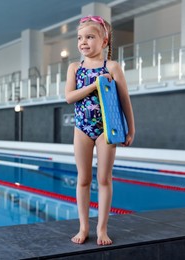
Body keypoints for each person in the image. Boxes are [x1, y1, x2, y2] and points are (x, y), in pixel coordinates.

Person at [65, 15, 135, 246]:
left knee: (104, 179)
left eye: (90, 37)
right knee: (83, 179)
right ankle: (84, 227)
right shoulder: (75, 68)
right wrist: (95, 85)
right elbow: (69, 97)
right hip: (82, 129)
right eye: (80, 38)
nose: (83, 42)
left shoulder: (112, 67)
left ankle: (102, 228)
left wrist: (130, 128)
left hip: (108, 129)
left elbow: (125, 100)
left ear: (104, 41)